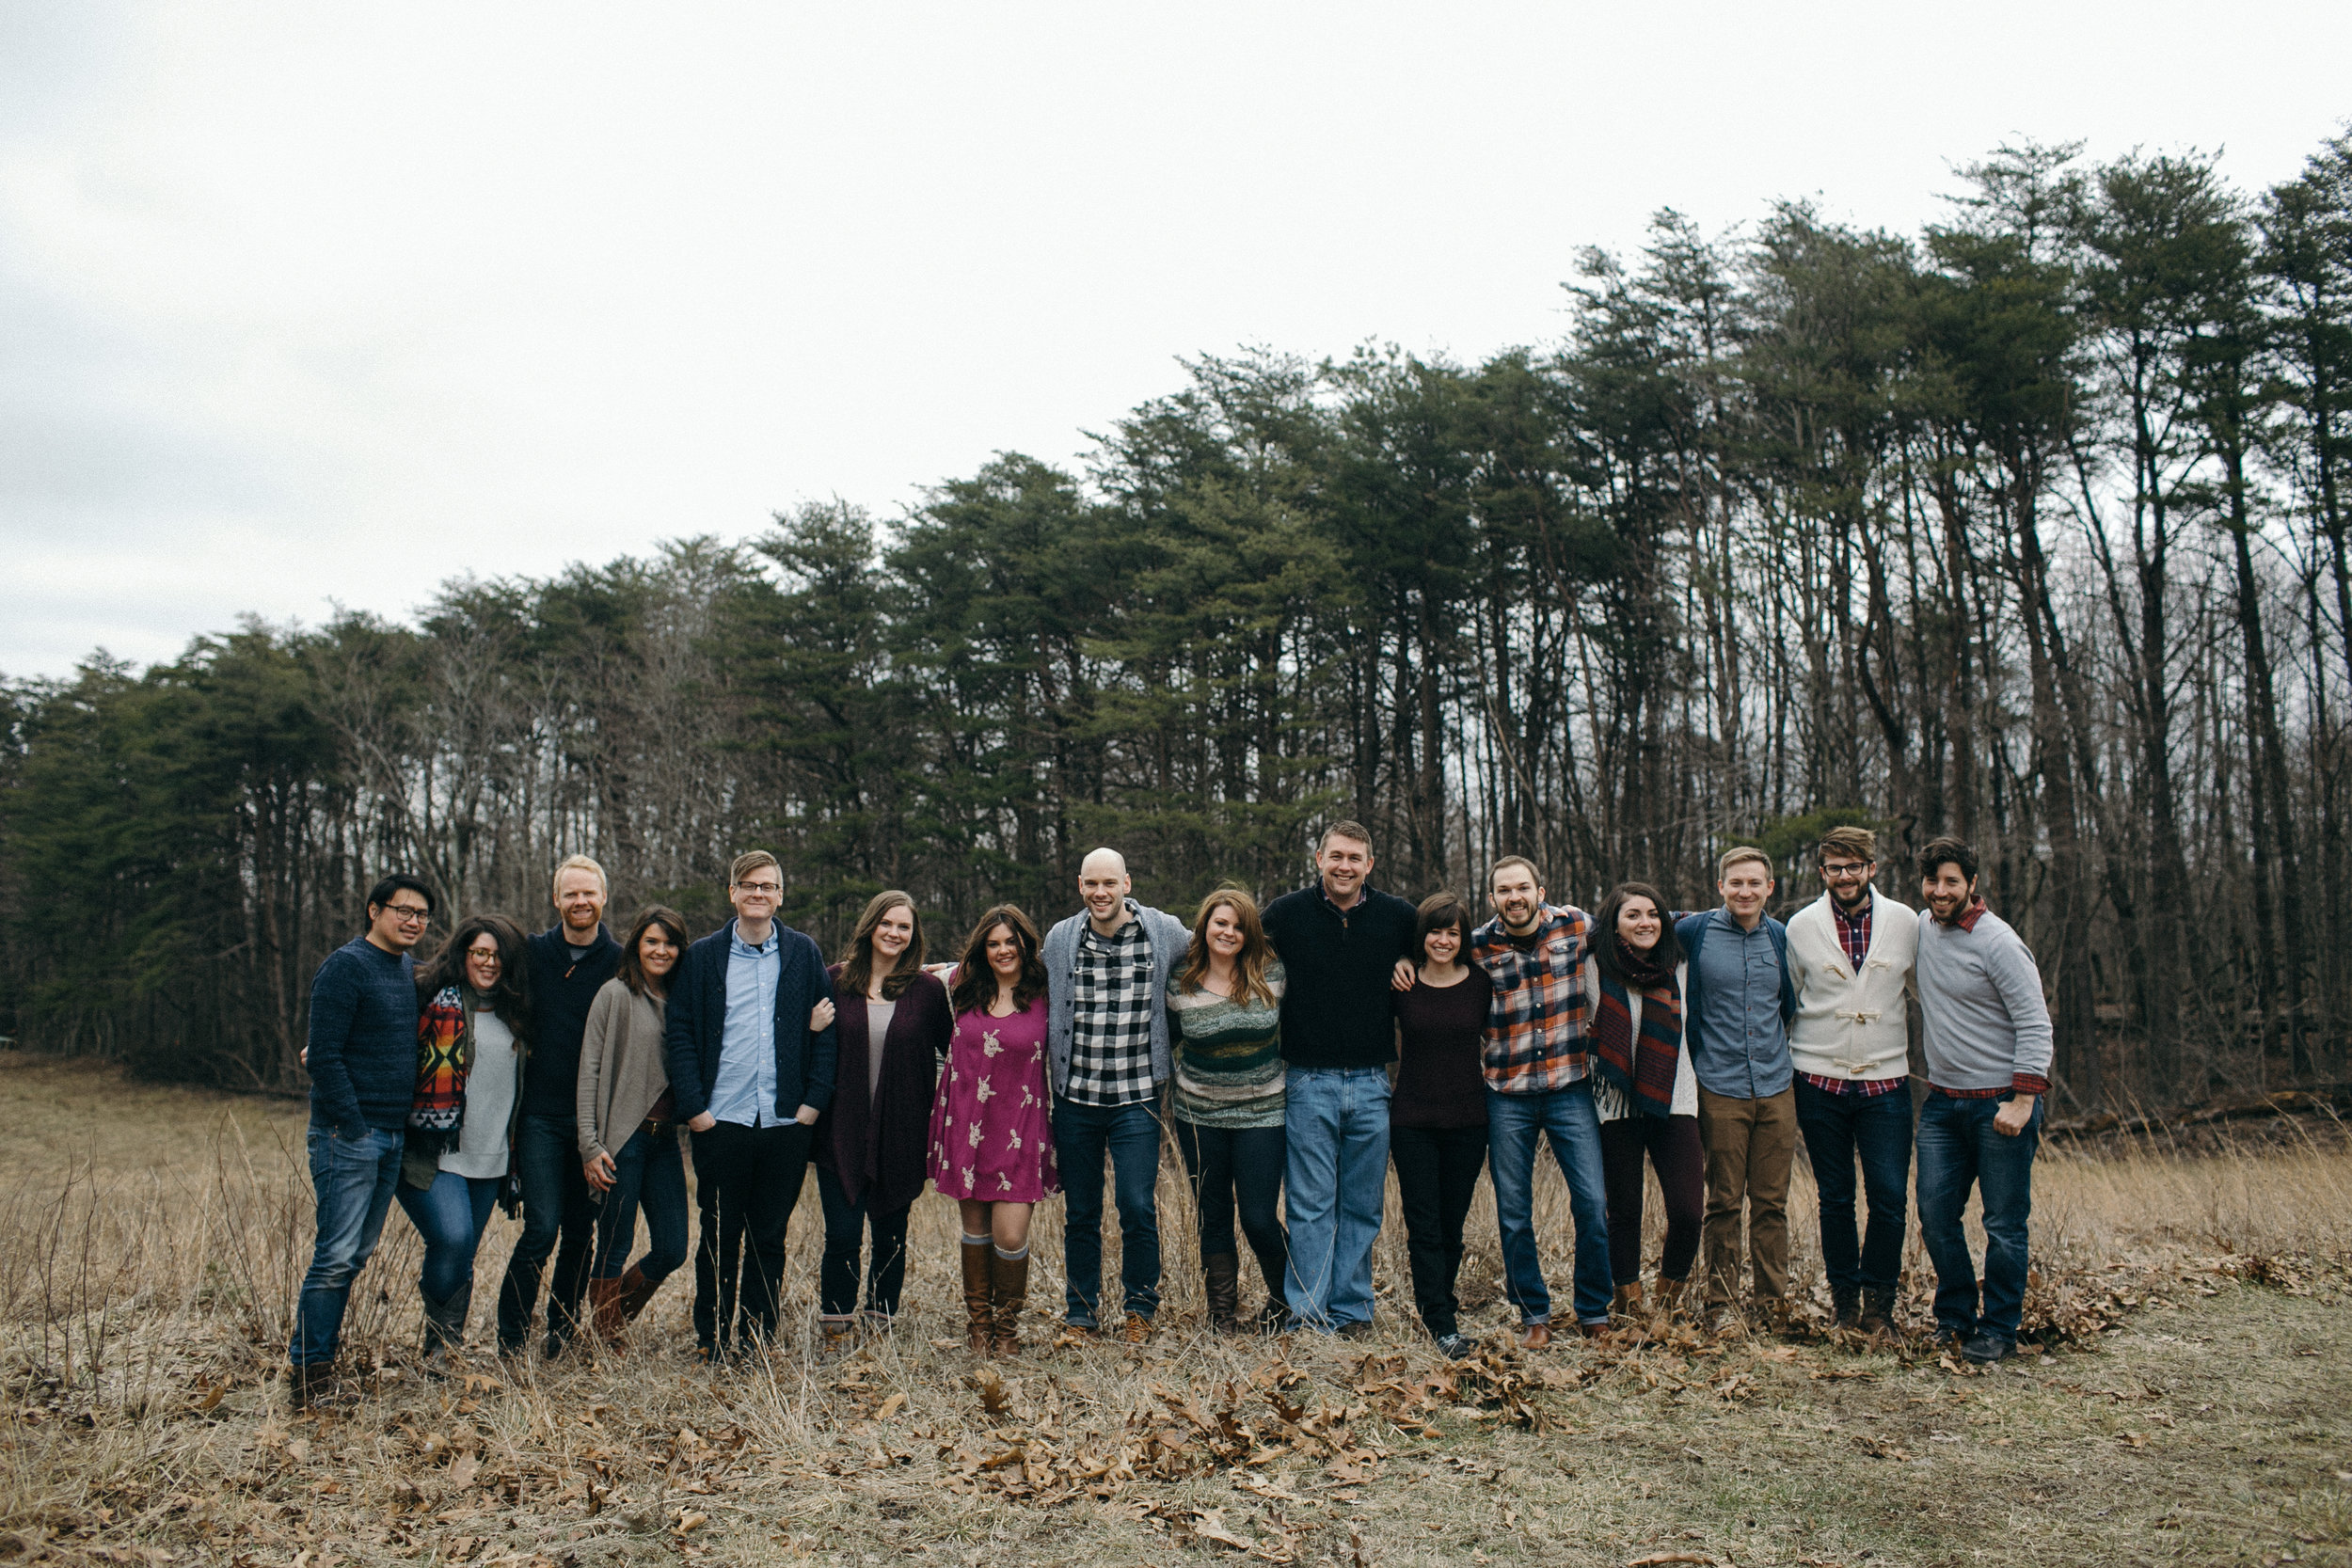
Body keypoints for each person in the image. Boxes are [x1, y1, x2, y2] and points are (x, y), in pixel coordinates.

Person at [663, 851, 840, 1360]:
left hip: (786, 1121)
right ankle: (713, 1339)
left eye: (768, 886)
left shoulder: (804, 954)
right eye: (748, 885)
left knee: (768, 1236)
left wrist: (812, 1103)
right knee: (718, 1235)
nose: (758, 894)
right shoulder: (703, 956)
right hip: (721, 1120)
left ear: (781, 895)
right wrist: (695, 1108)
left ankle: (758, 1338)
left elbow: (826, 1033)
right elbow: (680, 1034)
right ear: (733, 893)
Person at [1261, 821, 1418, 1338]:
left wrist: (1406, 959)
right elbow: (1235, 949)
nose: (1345, 866)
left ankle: (1352, 1310)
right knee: (1309, 1205)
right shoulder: (1286, 914)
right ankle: (1307, 1315)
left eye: (1355, 858)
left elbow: (1442, 948)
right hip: (1307, 1081)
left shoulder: (1398, 917)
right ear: (1319, 859)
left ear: (1370, 864)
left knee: (1362, 1205)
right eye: (1336, 856)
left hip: (1373, 1082)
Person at [289, 872, 437, 1408]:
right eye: (404, 910)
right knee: (334, 1256)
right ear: (374, 910)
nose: (414, 921)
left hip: (391, 1136)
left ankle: (319, 1367)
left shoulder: (402, 970)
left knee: (353, 1255)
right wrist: (353, 1125)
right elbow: (322, 1055)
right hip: (347, 1136)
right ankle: (307, 1380)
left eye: (422, 914)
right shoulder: (345, 967)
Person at [1913, 836, 2052, 1365]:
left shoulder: (1999, 942)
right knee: (1934, 1212)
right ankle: (1954, 1317)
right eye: (1932, 881)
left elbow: (2035, 1024)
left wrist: (2022, 1100)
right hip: (1944, 1106)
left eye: (1952, 881)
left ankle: (1998, 1328)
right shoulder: (1923, 931)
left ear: (1972, 883)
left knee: (2003, 1223)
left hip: (2000, 1105)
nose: (1940, 891)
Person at [1041, 849, 1189, 1342]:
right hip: (1075, 1097)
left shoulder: (1164, 932)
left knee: (1136, 1205)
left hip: (1137, 1097)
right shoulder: (1062, 938)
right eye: (1091, 884)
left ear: (1127, 882)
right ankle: (1080, 1313)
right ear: (1079, 886)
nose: (1100, 893)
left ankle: (1140, 1310)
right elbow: (1010, 971)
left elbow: (1217, 952)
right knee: (1081, 1209)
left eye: (1110, 883)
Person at [1468, 856, 1612, 1347]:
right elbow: (1429, 956)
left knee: (1592, 1203)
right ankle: (1534, 1315)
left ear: (1540, 890)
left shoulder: (1575, 924)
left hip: (1570, 1086)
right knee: (1513, 1212)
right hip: (1507, 1093)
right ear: (1492, 898)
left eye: (1523, 887)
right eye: (1504, 890)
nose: (1515, 897)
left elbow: (1638, 925)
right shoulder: (1477, 946)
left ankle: (1593, 1309)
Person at [1786, 826, 1919, 1332]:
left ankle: (1879, 1308)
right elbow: (1791, 1001)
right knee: (1835, 1197)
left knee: (1888, 1196)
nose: (1845, 877)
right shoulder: (1801, 926)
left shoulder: (1904, 923)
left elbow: (1926, 991)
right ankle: (1845, 1306)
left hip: (1886, 1083)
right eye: (1835, 868)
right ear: (1822, 872)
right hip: (1820, 1082)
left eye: (1854, 867)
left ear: (1872, 869)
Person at [496, 855, 623, 1358]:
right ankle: (510, 1336)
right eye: (570, 893)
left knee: (579, 1232)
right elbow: (467, 973)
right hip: (541, 1117)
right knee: (542, 1227)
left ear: (603, 898)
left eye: (589, 893)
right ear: (556, 900)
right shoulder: (530, 954)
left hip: (594, 1121)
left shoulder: (619, 960)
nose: (580, 902)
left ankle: (561, 1332)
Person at [814, 892, 951, 1353]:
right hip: (841, 1128)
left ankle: (880, 1324)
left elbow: (955, 1053)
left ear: (914, 935)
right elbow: (805, 1047)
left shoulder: (928, 992)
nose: (894, 933)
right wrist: (809, 1026)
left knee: (891, 1235)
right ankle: (835, 1329)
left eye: (904, 927)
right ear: (871, 925)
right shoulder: (834, 981)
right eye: (887, 924)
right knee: (843, 1235)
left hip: (902, 1131)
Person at [1674, 847, 1800, 1338]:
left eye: (1754, 883)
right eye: (1735, 883)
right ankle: (1721, 1305)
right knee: (1724, 1200)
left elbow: (1786, 1005)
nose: (1744, 891)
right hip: (1719, 1086)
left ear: (1770, 888)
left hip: (1776, 1086)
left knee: (1771, 1202)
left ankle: (1772, 1305)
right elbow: (1635, 930)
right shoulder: (1696, 931)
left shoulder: (1780, 935)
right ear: (1720, 887)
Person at [398, 914, 531, 1376]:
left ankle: (444, 1351)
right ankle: (440, 1347)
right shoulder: (432, 1000)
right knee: (451, 1239)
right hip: (434, 1153)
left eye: (498, 955)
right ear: (464, 953)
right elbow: (382, 1033)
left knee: (462, 1254)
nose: (489, 963)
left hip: (491, 1158)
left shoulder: (518, 1013)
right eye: (480, 953)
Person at [930, 905, 1058, 1356]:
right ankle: (981, 1327)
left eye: (1011, 941)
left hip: (1022, 1127)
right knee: (976, 1230)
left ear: (1026, 942)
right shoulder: (963, 984)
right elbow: (907, 969)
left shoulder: (1047, 989)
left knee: (1010, 1235)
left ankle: (1008, 1326)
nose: (1003, 950)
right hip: (967, 1123)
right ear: (982, 949)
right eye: (993, 943)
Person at [1166, 887, 1290, 1336]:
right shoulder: (1180, 979)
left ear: (1249, 933)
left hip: (1263, 1113)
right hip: (1198, 1114)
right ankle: (1222, 1315)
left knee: (1258, 1215)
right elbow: (1168, 1040)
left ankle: (1283, 1302)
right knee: (1212, 1213)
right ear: (1205, 926)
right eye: (1221, 923)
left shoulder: (1271, 972)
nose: (1229, 932)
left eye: (1238, 926)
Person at [577, 906, 694, 1351]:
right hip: (621, 1139)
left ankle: (607, 1322)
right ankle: (607, 1338)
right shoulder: (615, 995)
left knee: (672, 1246)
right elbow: (588, 1069)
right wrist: (589, 1144)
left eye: (669, 943)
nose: (661, 950)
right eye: (652, 941)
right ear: (636, 946)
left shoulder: (683, 1001)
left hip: (666, 1142)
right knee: (614, 1242)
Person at [1583, 884, 1701, 1324]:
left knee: (1689, 1212)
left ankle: (1667, 1303)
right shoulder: (1592, 965)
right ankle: (1628, 1305)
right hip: (1616, 1103)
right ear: (1613, 923)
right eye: (1632, 915)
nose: (1645, 922)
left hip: (1677, 1098)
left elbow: (1711, 913)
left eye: (1653, 913)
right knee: (1624, 1211)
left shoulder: (1682, 963)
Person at [1390, 892, 1492, 1358]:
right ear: (1422, 935)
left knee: (1452, 1224)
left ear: (1463, 938)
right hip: (1412, 1120)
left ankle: (1442, 1305)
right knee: (1424, 1225)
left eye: (1453, 932)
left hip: (1468, 1121)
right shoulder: (1402, 983)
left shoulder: (1481, 984)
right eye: (1435, 930)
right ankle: (1440, 1322)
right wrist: (1396, 960)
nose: (1444, 940)